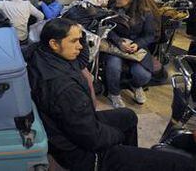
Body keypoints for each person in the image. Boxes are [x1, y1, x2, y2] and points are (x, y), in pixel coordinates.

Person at [26, 18, 196, 171]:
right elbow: (93, 138)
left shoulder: (43, 54)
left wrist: (80, 34)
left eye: (79, 40)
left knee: (128, 116)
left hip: (71, 129)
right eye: (74, 41)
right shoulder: (64, 88)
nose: (79, 46)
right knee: (181, 164)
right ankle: (120, 158)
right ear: (54, 43)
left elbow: (83, 58)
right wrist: (117, 136)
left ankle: (128, 160)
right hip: (82, 155)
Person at [106, 0, 160, 108]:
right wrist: (119, 42)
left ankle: (136, 85)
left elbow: (149, 35)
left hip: (136, 47)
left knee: (143, 75)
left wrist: (137, 44)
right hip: (116, 46)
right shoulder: (112, 10)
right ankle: (113, 93)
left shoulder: (145, 13)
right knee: (113, 67)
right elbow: (107, 30)